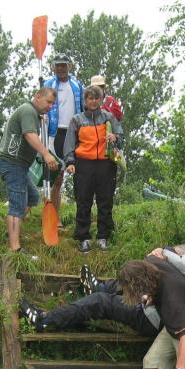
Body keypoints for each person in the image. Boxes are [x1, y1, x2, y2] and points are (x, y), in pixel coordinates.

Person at [19, 245, 185, 338]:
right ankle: (97, 286)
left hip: (150, 319)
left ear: (184, 255)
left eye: (176, 251)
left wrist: (164, 252)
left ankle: (44, 320)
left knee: (101, 301)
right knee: (133, 279)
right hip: (151, 309)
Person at [117, 251, 185, 369]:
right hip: (173, 328)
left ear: (140, 285)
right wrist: (150, 296)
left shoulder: (172, 299)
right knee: (152, 365)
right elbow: (155, 253)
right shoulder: (151, 262)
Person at [0, 87, 58, 254]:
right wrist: (46, 154)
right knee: (17, 205)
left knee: (32, 197)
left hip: (20, 166)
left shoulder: (33, 114)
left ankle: (12, 232)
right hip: (12, 163)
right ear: (37, 96)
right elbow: (30, 135)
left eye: (52, 104)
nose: (50, 106)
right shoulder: (28, 110)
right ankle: (14, 248)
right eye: (48, 102)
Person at [64, 85, 123, 253]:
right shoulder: (77, 119)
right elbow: (69, 143)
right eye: (90, 98)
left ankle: (104, 236)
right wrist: (70, 162)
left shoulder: (109, 117)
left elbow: (121, 137)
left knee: (105, 201)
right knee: (83, 201)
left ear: (101, 100)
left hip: (106, 163)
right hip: (83, 164)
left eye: (97, 98)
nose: (94, 101)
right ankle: (83, 237)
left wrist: (115, 137)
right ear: (85, 100)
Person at [42, 54, 84, 232]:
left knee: (79, 175)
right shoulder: (48, 84)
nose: (60, 68)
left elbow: (83, 108)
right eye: (57, 65)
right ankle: (54, 217)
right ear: (53, 67)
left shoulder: (77, 85)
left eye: (63, 65)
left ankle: (83, 217)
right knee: (57, 177)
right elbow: (40, 106)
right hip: (54, 133)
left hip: (73, 133)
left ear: (69, 66)